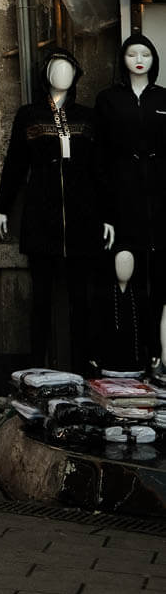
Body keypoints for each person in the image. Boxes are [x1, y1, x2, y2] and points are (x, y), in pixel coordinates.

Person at [0, 49, 113, 373]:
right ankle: (37, 365)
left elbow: (99, 169)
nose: (62, 75)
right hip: (42, 217)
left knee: (80, 298)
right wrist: (2, 208)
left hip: (82, 218)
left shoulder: (87, 118)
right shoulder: (29, 116)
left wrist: (107, 215)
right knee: (41, 298)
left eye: (68, 69)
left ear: (76, 76)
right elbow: (16, 164)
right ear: (46, 75)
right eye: (55, 69)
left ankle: (82, 366)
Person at [96, 32, 166, 370]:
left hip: (159, 193)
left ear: (154, 60)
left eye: (146, 54)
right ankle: (128, 354)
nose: (139, 59)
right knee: (127, 272)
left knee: (160, 277)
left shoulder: (163, 98)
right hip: (124, 192)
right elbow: (101, 156)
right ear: (123, 60)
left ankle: (156, 352)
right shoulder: (109, 100)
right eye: (132, 54)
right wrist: (107, 211)